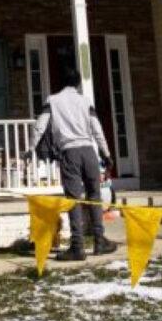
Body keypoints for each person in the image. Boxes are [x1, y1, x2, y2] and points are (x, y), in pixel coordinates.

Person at [32, 67, 118, 261]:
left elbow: (40, 126)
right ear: (78, 83)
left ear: (61, 82)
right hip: (89, 152)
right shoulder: (85, 102)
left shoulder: (53, 101)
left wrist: (31, 148)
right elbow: (97, 129)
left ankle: (77, 246)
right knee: (94, 196)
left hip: (70, 153)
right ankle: (99, 241)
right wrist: (106, 153)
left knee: (74, 199)